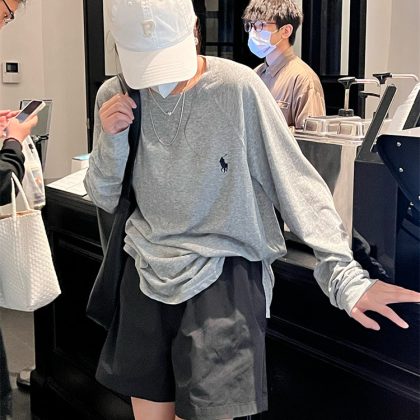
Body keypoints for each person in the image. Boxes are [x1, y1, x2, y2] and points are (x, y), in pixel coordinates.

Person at [84, 1, 420, 419]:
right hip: (145, 271)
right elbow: (103, 195)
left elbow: (294, 181)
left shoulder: (237, 87)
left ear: (193, 31)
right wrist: (111, 139)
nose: (158, 77)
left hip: (223, 276)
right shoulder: (115, 95)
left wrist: (343, 275)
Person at [243, 0, 326, 130]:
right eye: (251, 25)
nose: (253, 32)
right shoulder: (255, 75)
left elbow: (312, 138)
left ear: (286, 31)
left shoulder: (304, 79)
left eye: (261, 25)